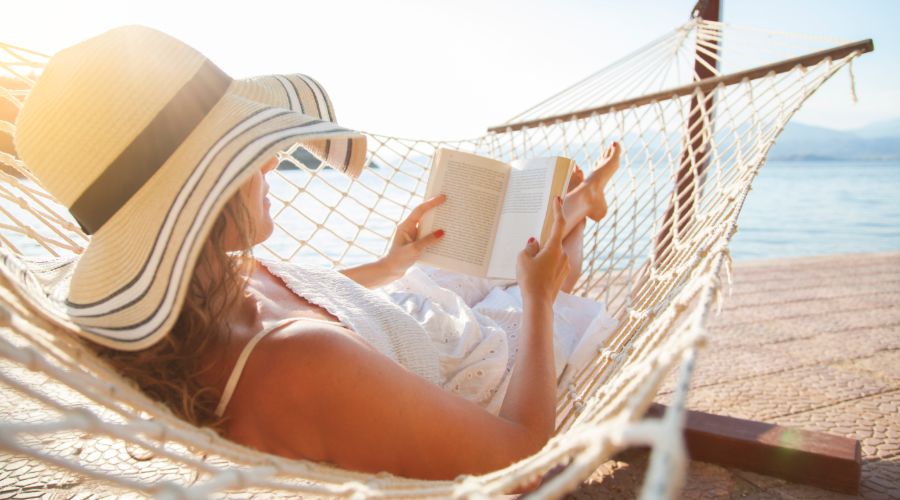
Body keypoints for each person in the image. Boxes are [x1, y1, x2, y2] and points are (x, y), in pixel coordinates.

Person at [14, 26, 619, 481]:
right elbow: (522, 459)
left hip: (395, 311)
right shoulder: (301, 364)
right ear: (197, 191)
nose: (274, 159)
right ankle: (572, 217)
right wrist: (539, 303)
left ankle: (565, 213)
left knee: (481, 260)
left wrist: (389, 264)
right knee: (537, 284)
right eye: (247, 148)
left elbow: (306, 295)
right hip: (463, 369)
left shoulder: (194, 289)